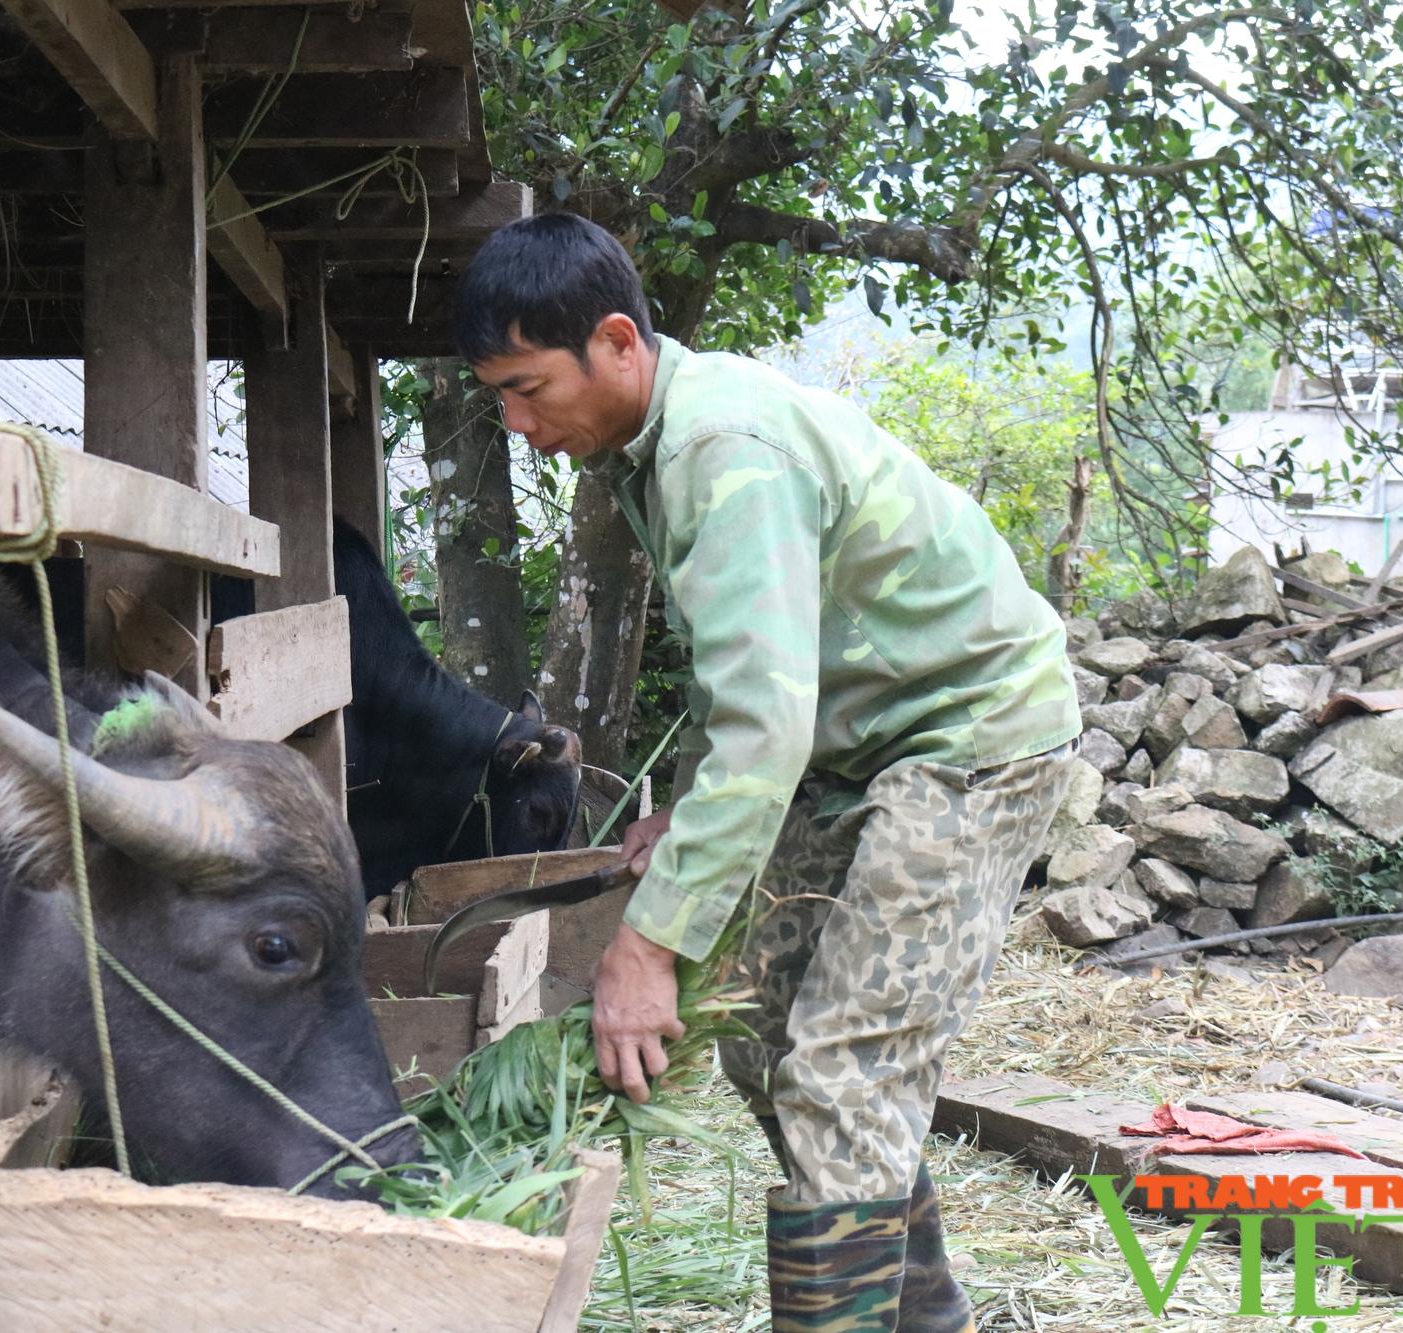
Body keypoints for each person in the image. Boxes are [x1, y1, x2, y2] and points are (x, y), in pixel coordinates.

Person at [453, 213, 1082, 1332]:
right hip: (855, 745)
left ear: (614, 342)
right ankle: (926, 1319)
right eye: (496, 396)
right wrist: (687, 816)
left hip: (965, 735)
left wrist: (644, 947)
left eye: (526, 387)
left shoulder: (721, 447)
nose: (515, 421)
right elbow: (745, 674)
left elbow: (763, 727)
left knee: (843, 1071)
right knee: (768, 1037)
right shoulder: (652, 445)